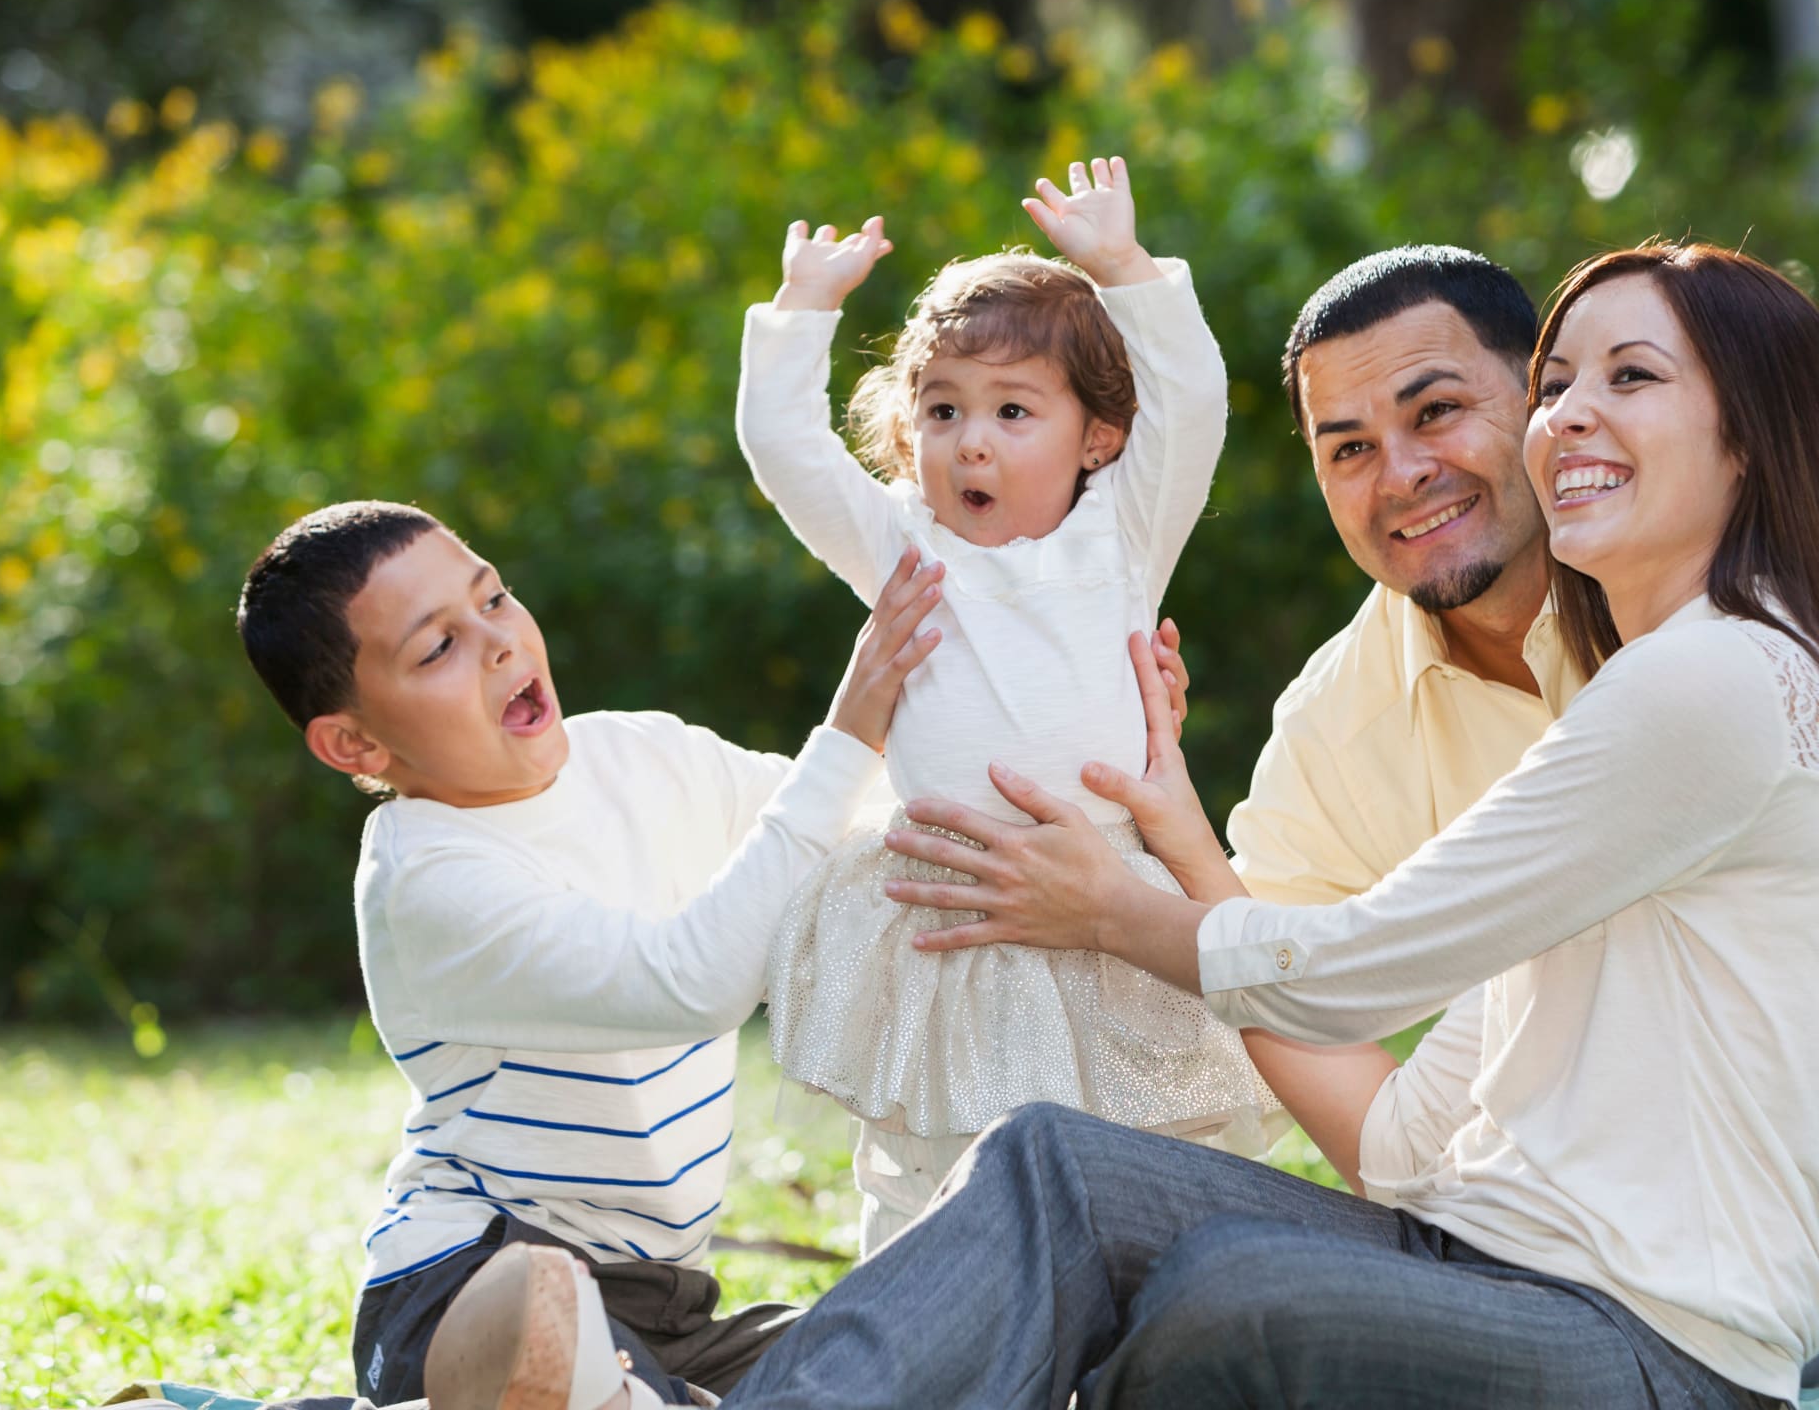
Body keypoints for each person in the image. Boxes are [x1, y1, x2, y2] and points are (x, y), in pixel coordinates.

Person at [711, 239, 1811, 1407]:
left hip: (1657, 1338)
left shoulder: (1707, 680)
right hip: (1481, 1247)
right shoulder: (1583, 689)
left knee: (1228, 1301)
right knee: (1052, 1168)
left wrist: (1115, 908)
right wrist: (1176, 826)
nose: (1573, 416)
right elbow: (1399, 1143)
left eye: (1628, 378)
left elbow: (1355, 971)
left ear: (1747, 426)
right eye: (1557, 386)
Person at [235, 501, 942, 1407]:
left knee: (916, 1364)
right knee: (577, 1360)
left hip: (662, 1308)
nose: (496, 642)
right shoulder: (427, 881)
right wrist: (848, 730)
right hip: (473, 1289)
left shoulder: (640, 756)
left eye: (493, 598)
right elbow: (693, 981)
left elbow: (849, 825)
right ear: (356, 742)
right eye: (436, 648)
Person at [738, 158, 1275, 1254]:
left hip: (1109, 902)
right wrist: (800, 312)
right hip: (952, 914)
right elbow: (785, 453)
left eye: (1011, 410)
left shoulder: (1120, 535)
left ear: (1097, 437)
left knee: (1146, 1167)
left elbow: (1195, 403)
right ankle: (924, 1334)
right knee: (929, 1185)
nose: (969, 439)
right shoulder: (902, 545)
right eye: (942, 409)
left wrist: (1123, 268)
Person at [1221, 244, 1586, 908]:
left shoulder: (1700, 574)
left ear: (1542, 396)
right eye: (1352, 449)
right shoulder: (1333, 733)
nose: (1402, 475)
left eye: (1437, 411)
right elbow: (1262, 990)